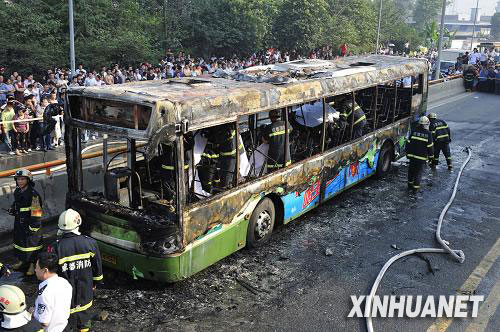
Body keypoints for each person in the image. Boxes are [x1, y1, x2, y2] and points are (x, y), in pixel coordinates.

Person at [49, 209, 103, 332]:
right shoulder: (90, 243)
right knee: (84, 318)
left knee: (65, 322)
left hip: (64, 293)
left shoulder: (56, 247)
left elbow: (52, 272)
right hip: (85, 289)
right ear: (78, 223)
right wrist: (95, 283)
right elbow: (97, 267)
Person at [8, 169, 43, 275]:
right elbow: (17, 204)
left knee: (31, 245)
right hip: (20, 223)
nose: (20, 181)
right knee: (21, 243)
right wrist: (13, 209)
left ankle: (32, 265)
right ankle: (23, 261)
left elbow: (36, 213)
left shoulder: (33, 195)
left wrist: (33, 228)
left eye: (22, 179)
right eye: (18, 179)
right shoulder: (17, 191)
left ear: (28, 180)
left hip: (30, 225)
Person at [33, 252, 72, 332]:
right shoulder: (64, 282)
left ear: (45, 270)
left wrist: (32, 313)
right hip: (64, 327)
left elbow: (44, 322)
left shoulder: (45, 293)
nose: (35, 270)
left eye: (37, 267)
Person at [406, 116, 434, 191]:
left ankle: (409, 186)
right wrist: (431, 157)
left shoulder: (413, 131)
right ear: (426, 124)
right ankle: (415, 189)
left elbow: (408, 143)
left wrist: (408, 154)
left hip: (412, 157)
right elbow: (430, 147)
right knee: (418, 173)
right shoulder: (428, 134)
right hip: (421, 158)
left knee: (411, 171)